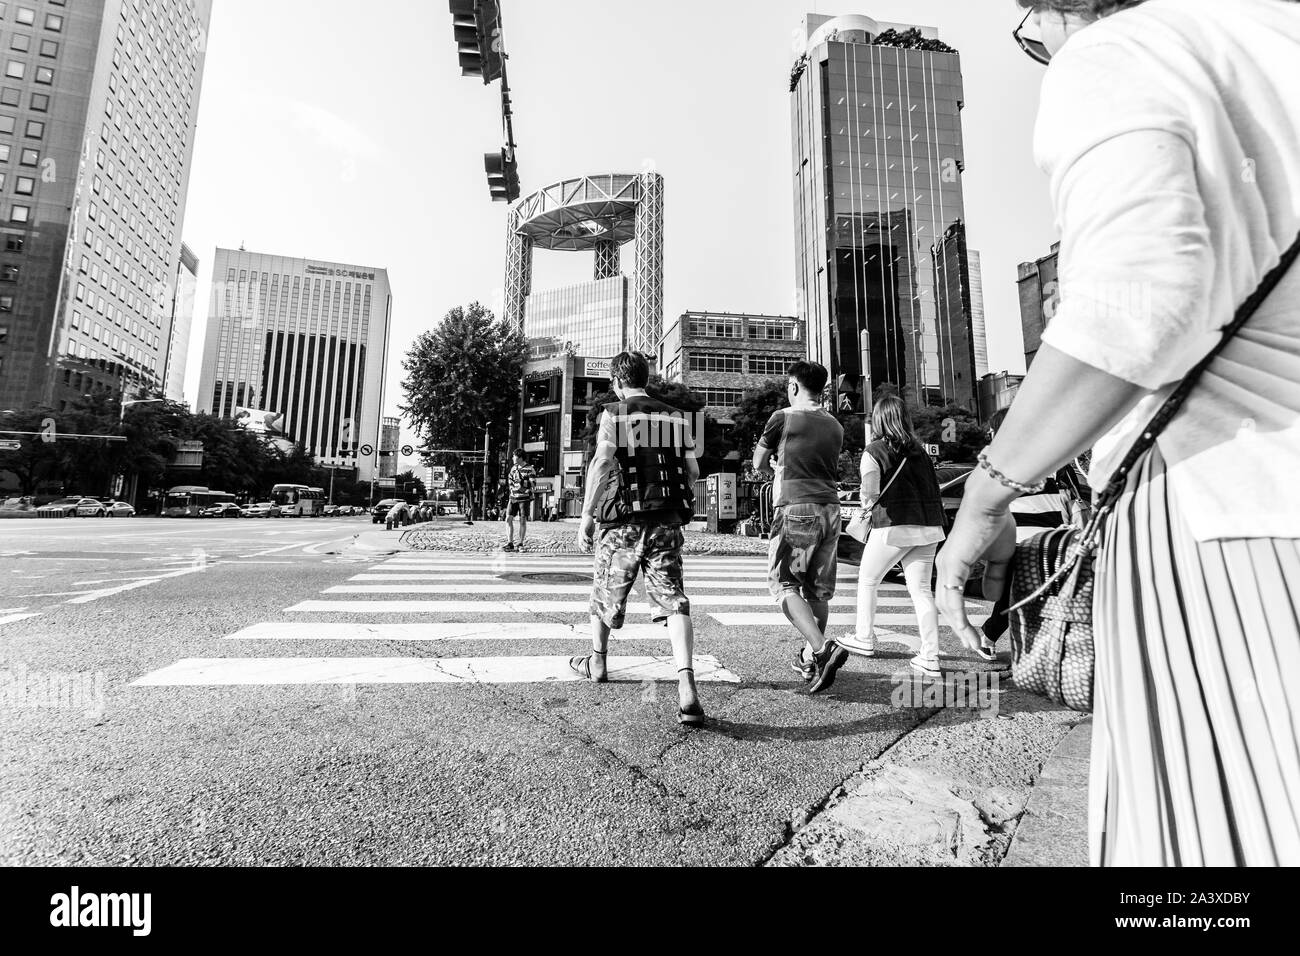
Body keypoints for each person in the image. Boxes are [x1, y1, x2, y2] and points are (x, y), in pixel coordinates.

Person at [937, 0, 1300, 866]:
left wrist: (990, 491)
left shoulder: (1115, 52)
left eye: (1031, 34)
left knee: (1205, 852)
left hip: (1221, 508)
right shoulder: (1278, 35)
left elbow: (1139, 303)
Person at [574, 350, 704, 726]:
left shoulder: (614, 414)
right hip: (666, 521)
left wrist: (587, 514)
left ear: (616, 382)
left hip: (623, 523)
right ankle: (686, 684)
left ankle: (597, 661)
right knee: (674, 601)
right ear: (645, 378)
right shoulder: (676, 417)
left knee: (604, 592)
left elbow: (601, 463)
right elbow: (692, 469)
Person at [839, 395, 951, 676]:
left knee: (868, 580)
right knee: (922, 591)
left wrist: (864, 508)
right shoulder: (921, 452)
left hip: (894, 526)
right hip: (929, 527)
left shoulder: (874, 451)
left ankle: (864, 638)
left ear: (877, 419)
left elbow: (870, 494)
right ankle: (930, 656)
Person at [753, 361, 847, 693]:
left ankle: (823, 650)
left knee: (784, 586)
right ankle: (810, 659)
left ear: (793, 387)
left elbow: (758, 462)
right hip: (831, 510)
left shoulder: (783, 417)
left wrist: (776, 466)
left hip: (798, 509)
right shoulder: (836, 425)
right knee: (818, 591)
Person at [503, 448, 536, 552]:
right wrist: (513, 487)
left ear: (520, 457)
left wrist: (522, 482)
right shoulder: (513, 468)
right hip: (513, 498)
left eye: (514, 456)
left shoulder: (530, 469)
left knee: (522, 520)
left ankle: (520, 543)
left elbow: (533, 484)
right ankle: (510, 542)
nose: (512, 458)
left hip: (524, 499)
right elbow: (510, 481)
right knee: (508, 518)